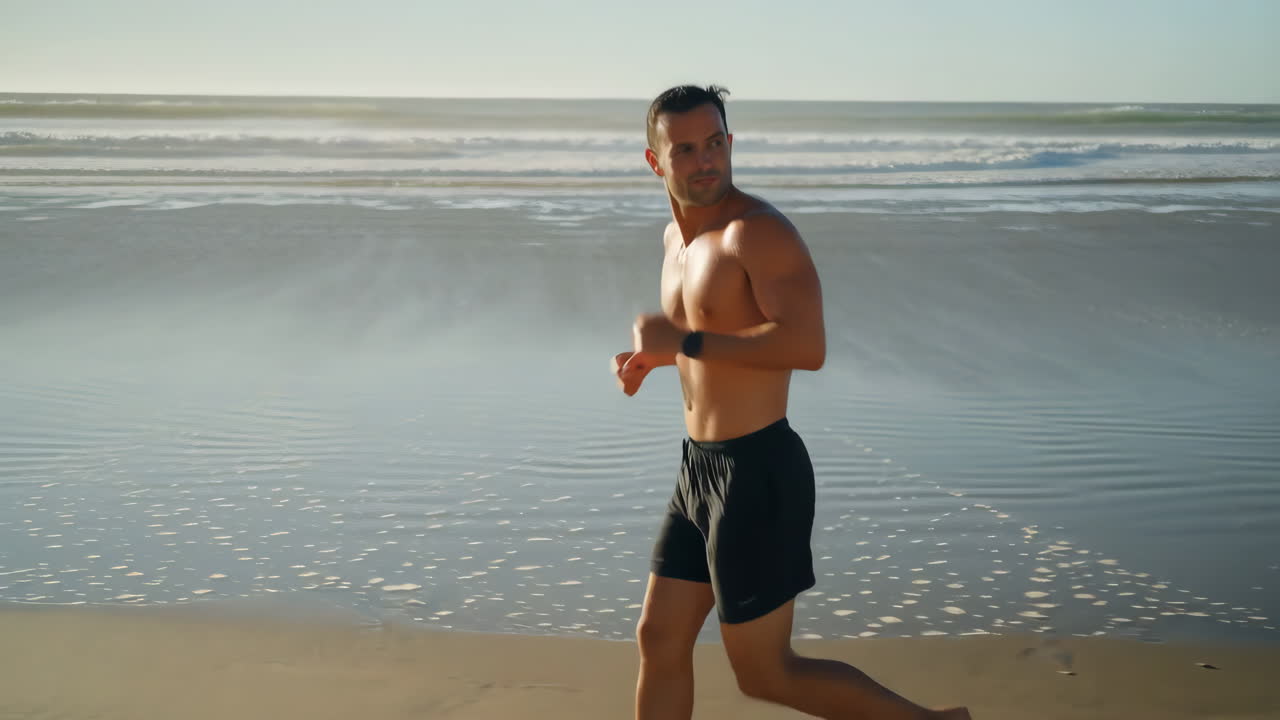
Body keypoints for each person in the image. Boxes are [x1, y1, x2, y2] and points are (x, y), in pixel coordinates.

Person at [610, 85, 971, 720]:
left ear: (730, 142)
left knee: (766, 672)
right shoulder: (676, 241)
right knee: (659, 638)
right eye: (687, 149)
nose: (705, 160)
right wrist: (657, 358)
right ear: (655, 160)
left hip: (757, 473)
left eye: (715, 143)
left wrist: (686, 338)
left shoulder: (759, 234)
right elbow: (717, 337)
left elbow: (806, 345)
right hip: (697, 471)